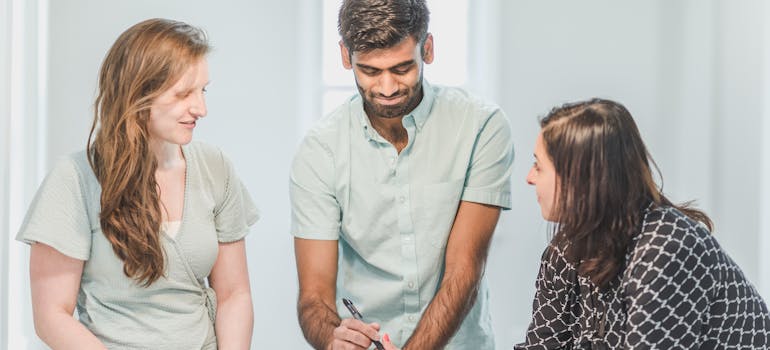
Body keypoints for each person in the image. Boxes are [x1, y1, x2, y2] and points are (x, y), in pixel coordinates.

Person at [16, 18, 258, 349]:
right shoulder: (74, 178)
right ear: (138, 94)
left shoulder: (216, 168)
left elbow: (234, 294)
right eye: (183, 93)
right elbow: (51, 316)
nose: (201, 108)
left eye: (203, 90)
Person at [290, 1, 514, 349]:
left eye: (402, 68)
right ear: (346, 57)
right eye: (370, 71)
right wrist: (333, 339)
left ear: (428, 49)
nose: (388, 87)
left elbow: (464, 270)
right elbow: (314, 296)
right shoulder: (320, 150)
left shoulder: (481, 127)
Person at [517, 98, 770, 349]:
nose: (529, 178)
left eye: (538, 166)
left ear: (580, 177)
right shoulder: (563, 250)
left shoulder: (667, 247)